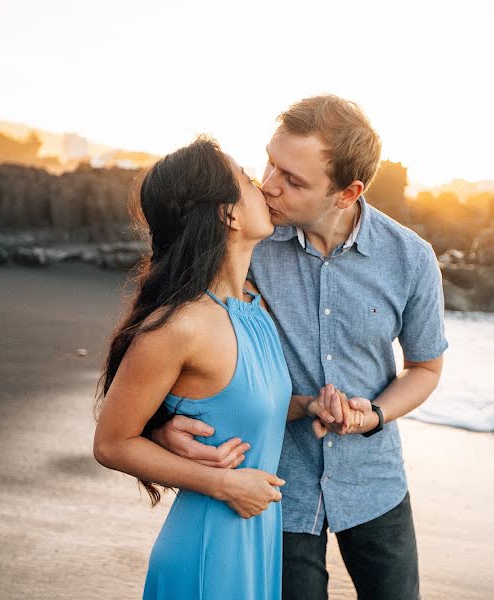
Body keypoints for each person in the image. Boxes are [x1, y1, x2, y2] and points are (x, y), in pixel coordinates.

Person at [153, 95, 448, 600]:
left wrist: (372, 414)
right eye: (271, 161)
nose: (268, 184)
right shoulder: (246, 238)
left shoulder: (411, 259)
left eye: (293, 179)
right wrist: (160, 424)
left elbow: (424, 368)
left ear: (347, 192)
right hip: (273, 486)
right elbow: (168, 333)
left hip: (374, 483)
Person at [92, 136, 295, 600]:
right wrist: (222, 482)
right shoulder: (180, 326)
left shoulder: (253, 309)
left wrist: (317, 406)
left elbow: (241, 407)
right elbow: (111, 442)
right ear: (229, 214)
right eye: (247, 178)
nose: (262, 186)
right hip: (210, 550)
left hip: (255, 540)